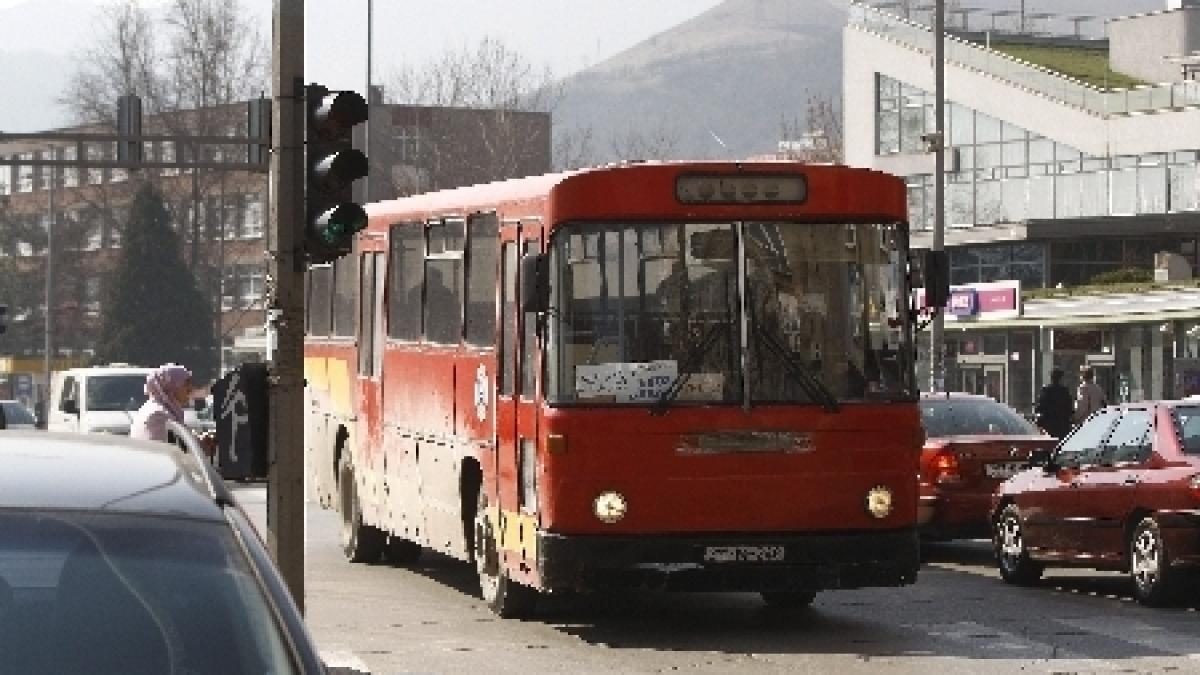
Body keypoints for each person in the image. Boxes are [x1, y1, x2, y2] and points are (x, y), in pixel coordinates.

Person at [129, 364, 215, 455]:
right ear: (171, 386)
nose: (190, 388)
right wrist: (200, 447)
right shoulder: (158, 415)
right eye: (185, 384)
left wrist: (200, 442)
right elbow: (171, 454)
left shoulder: (162, 409)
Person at [1034, 367, 1074, 439]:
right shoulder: (1064, 391)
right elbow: (1069, 409)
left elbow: (1040, 407)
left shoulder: (1046, 390)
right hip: (1062, 425)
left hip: (1049, 425)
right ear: (1061, 378)